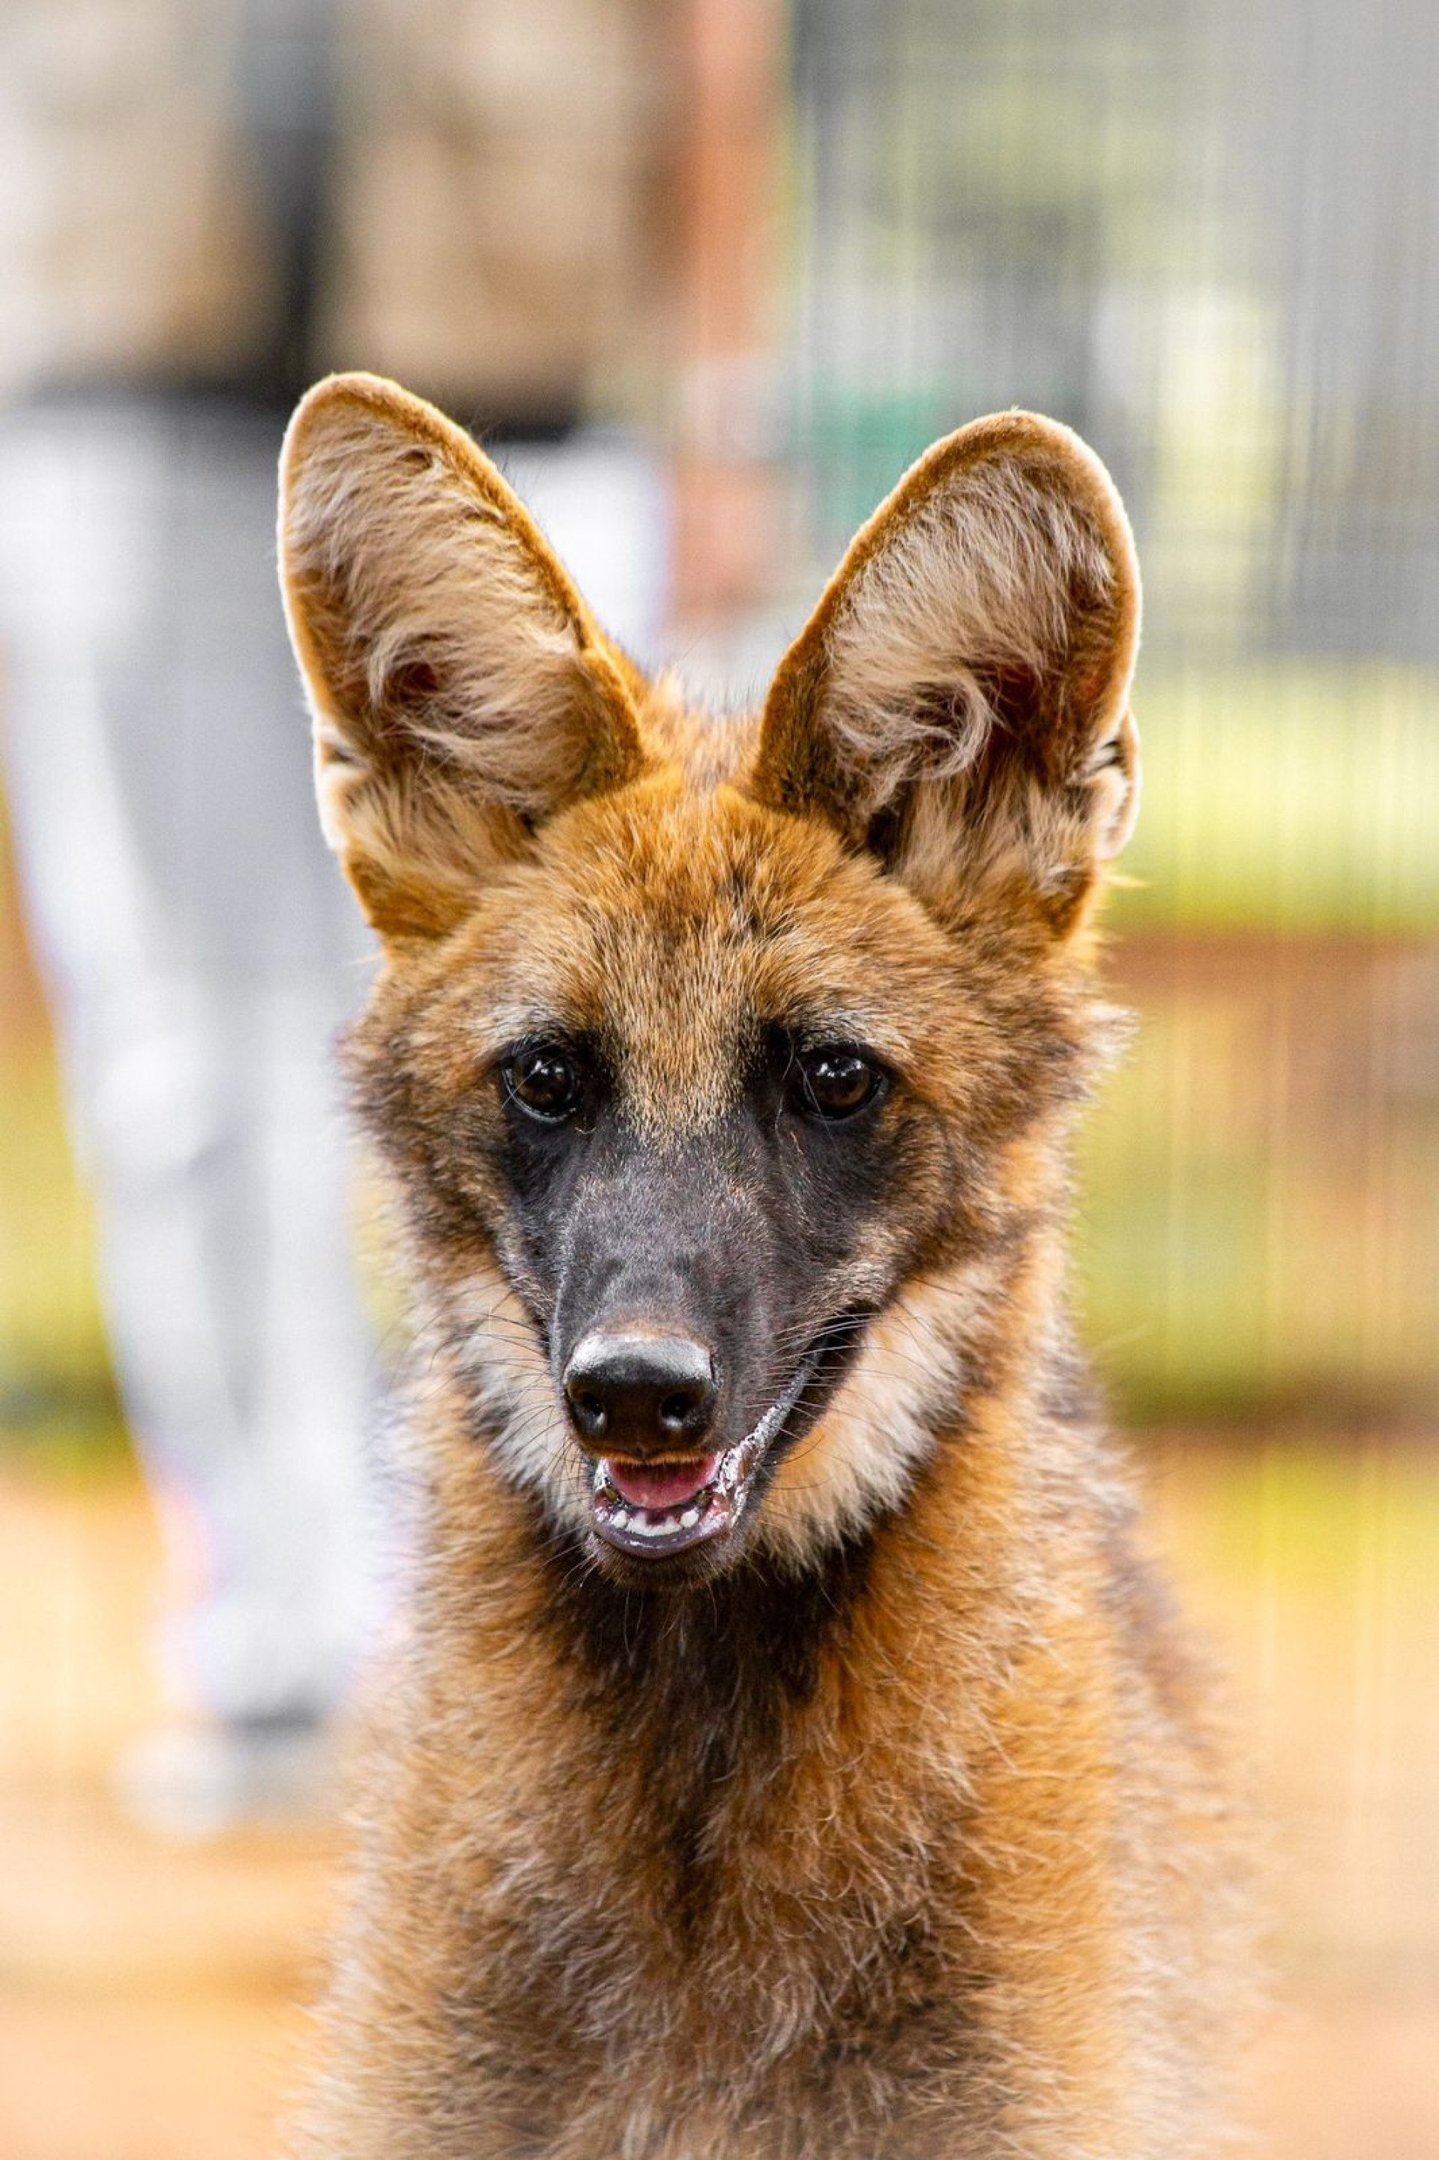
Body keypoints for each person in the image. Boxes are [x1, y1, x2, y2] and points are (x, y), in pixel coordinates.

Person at [0, 0, 669, 1831]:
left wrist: (730, 373)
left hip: (520, 369)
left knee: (583, 1040)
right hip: (114, 362)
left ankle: (567, 1631)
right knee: (181, 1060)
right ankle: (286, 1638)